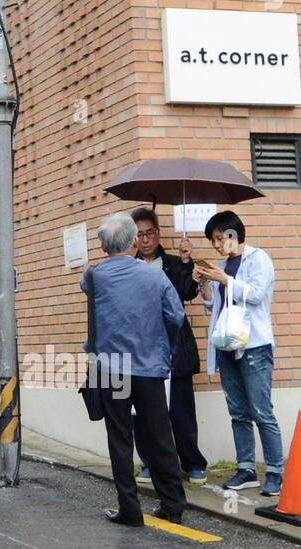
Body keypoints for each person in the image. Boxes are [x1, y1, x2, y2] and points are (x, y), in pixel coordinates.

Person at [82, 212, 187, 526]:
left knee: (120, 438)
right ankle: (173, 505)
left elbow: (89, 290)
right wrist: (165, 347)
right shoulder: (154, 275)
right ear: (133, 241)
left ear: (103, 247)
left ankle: (130, 508)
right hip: (149, 368)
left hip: (112, 370)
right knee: (160, 437)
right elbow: (177, 316)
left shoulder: (94, 276)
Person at [196, 211, 283, 498]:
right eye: (214, 241)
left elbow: (257, 295)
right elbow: (214, 306)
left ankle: (274, 472)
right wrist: (206, 283)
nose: (218, 245)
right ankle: (246, 469)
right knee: (238, 412)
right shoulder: (223, 265)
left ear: (233, 234)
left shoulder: (258, 259)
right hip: (226, 345)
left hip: (254, 345)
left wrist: (225, 279)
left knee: (261, 411)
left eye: (220, 238)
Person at [130, 208, 207, 486]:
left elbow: (187, 292)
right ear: (133, 238)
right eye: (139, 234)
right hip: (143, 349)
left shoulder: (173, 263)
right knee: (145, 410)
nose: (146, 239)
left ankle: (193, 462)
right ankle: (151, 463)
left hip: (175, 347)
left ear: (158, 234)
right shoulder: (130, 267)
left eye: (150, 232)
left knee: (181, 409)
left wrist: (187, 262)